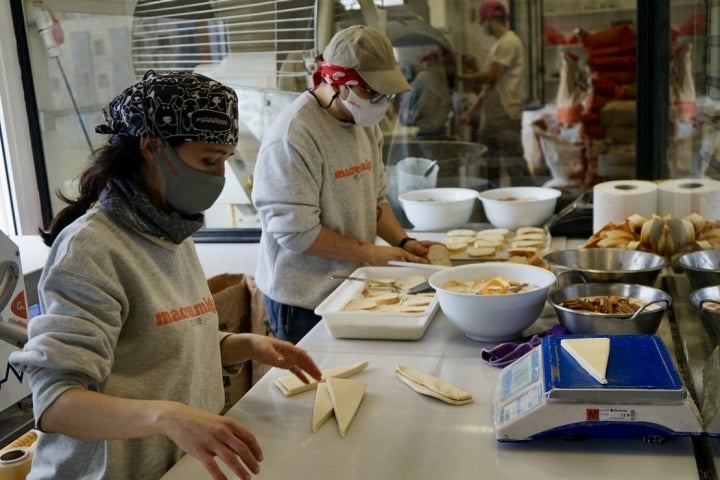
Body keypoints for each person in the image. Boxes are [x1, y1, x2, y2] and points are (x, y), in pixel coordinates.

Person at [9, 70, 322, 480]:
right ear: (153, 147)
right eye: (208, 160)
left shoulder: (171, 231)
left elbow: (160, 341)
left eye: (225, 160)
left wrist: (242, 344)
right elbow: (55, 403)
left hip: (177, 467)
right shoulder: (91, 249)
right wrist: (166, 417)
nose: (218, 177)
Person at [252, 25, 435, 344]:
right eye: (372, 92)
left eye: (385, 93)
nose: (380, 102)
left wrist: (403, 243)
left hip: (351, 285)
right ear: (336, 81)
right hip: (303, 301)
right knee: (313, 389)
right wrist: (371, 252)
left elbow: (375, 200)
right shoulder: (294, 137)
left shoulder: (363, 123)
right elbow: (296, 233)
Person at [456, 1, 532, 186]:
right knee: (490, 163)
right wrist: (470, 113)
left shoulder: (509, 41)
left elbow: (490, 76)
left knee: (514, 164)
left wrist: (459, 77)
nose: (482, 27)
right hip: (493, 115)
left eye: (481, 22)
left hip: (506, 113)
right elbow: (488, 89)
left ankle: (530, 202)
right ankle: (495, 201)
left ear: (489, 19)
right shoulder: (499, 44)